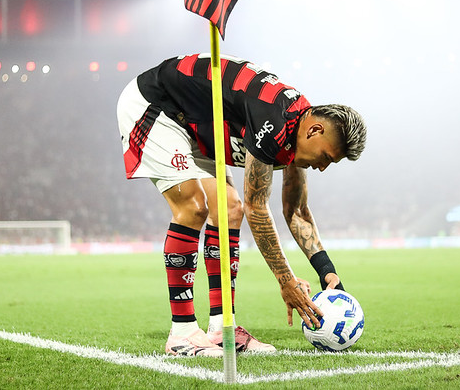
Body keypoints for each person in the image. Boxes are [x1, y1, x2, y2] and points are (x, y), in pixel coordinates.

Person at [116, 53, 367, 357]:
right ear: (315, 131)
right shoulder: (274, 122)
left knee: (229, 209)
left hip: (198, 122)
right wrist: (286, 280)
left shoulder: (297, 128)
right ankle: (181, 333)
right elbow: (257, 207)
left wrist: (326, 272)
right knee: (195, 206)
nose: (323, 167)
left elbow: (296, 211)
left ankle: (223, 328)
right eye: (326, 157)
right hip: (158, 105)